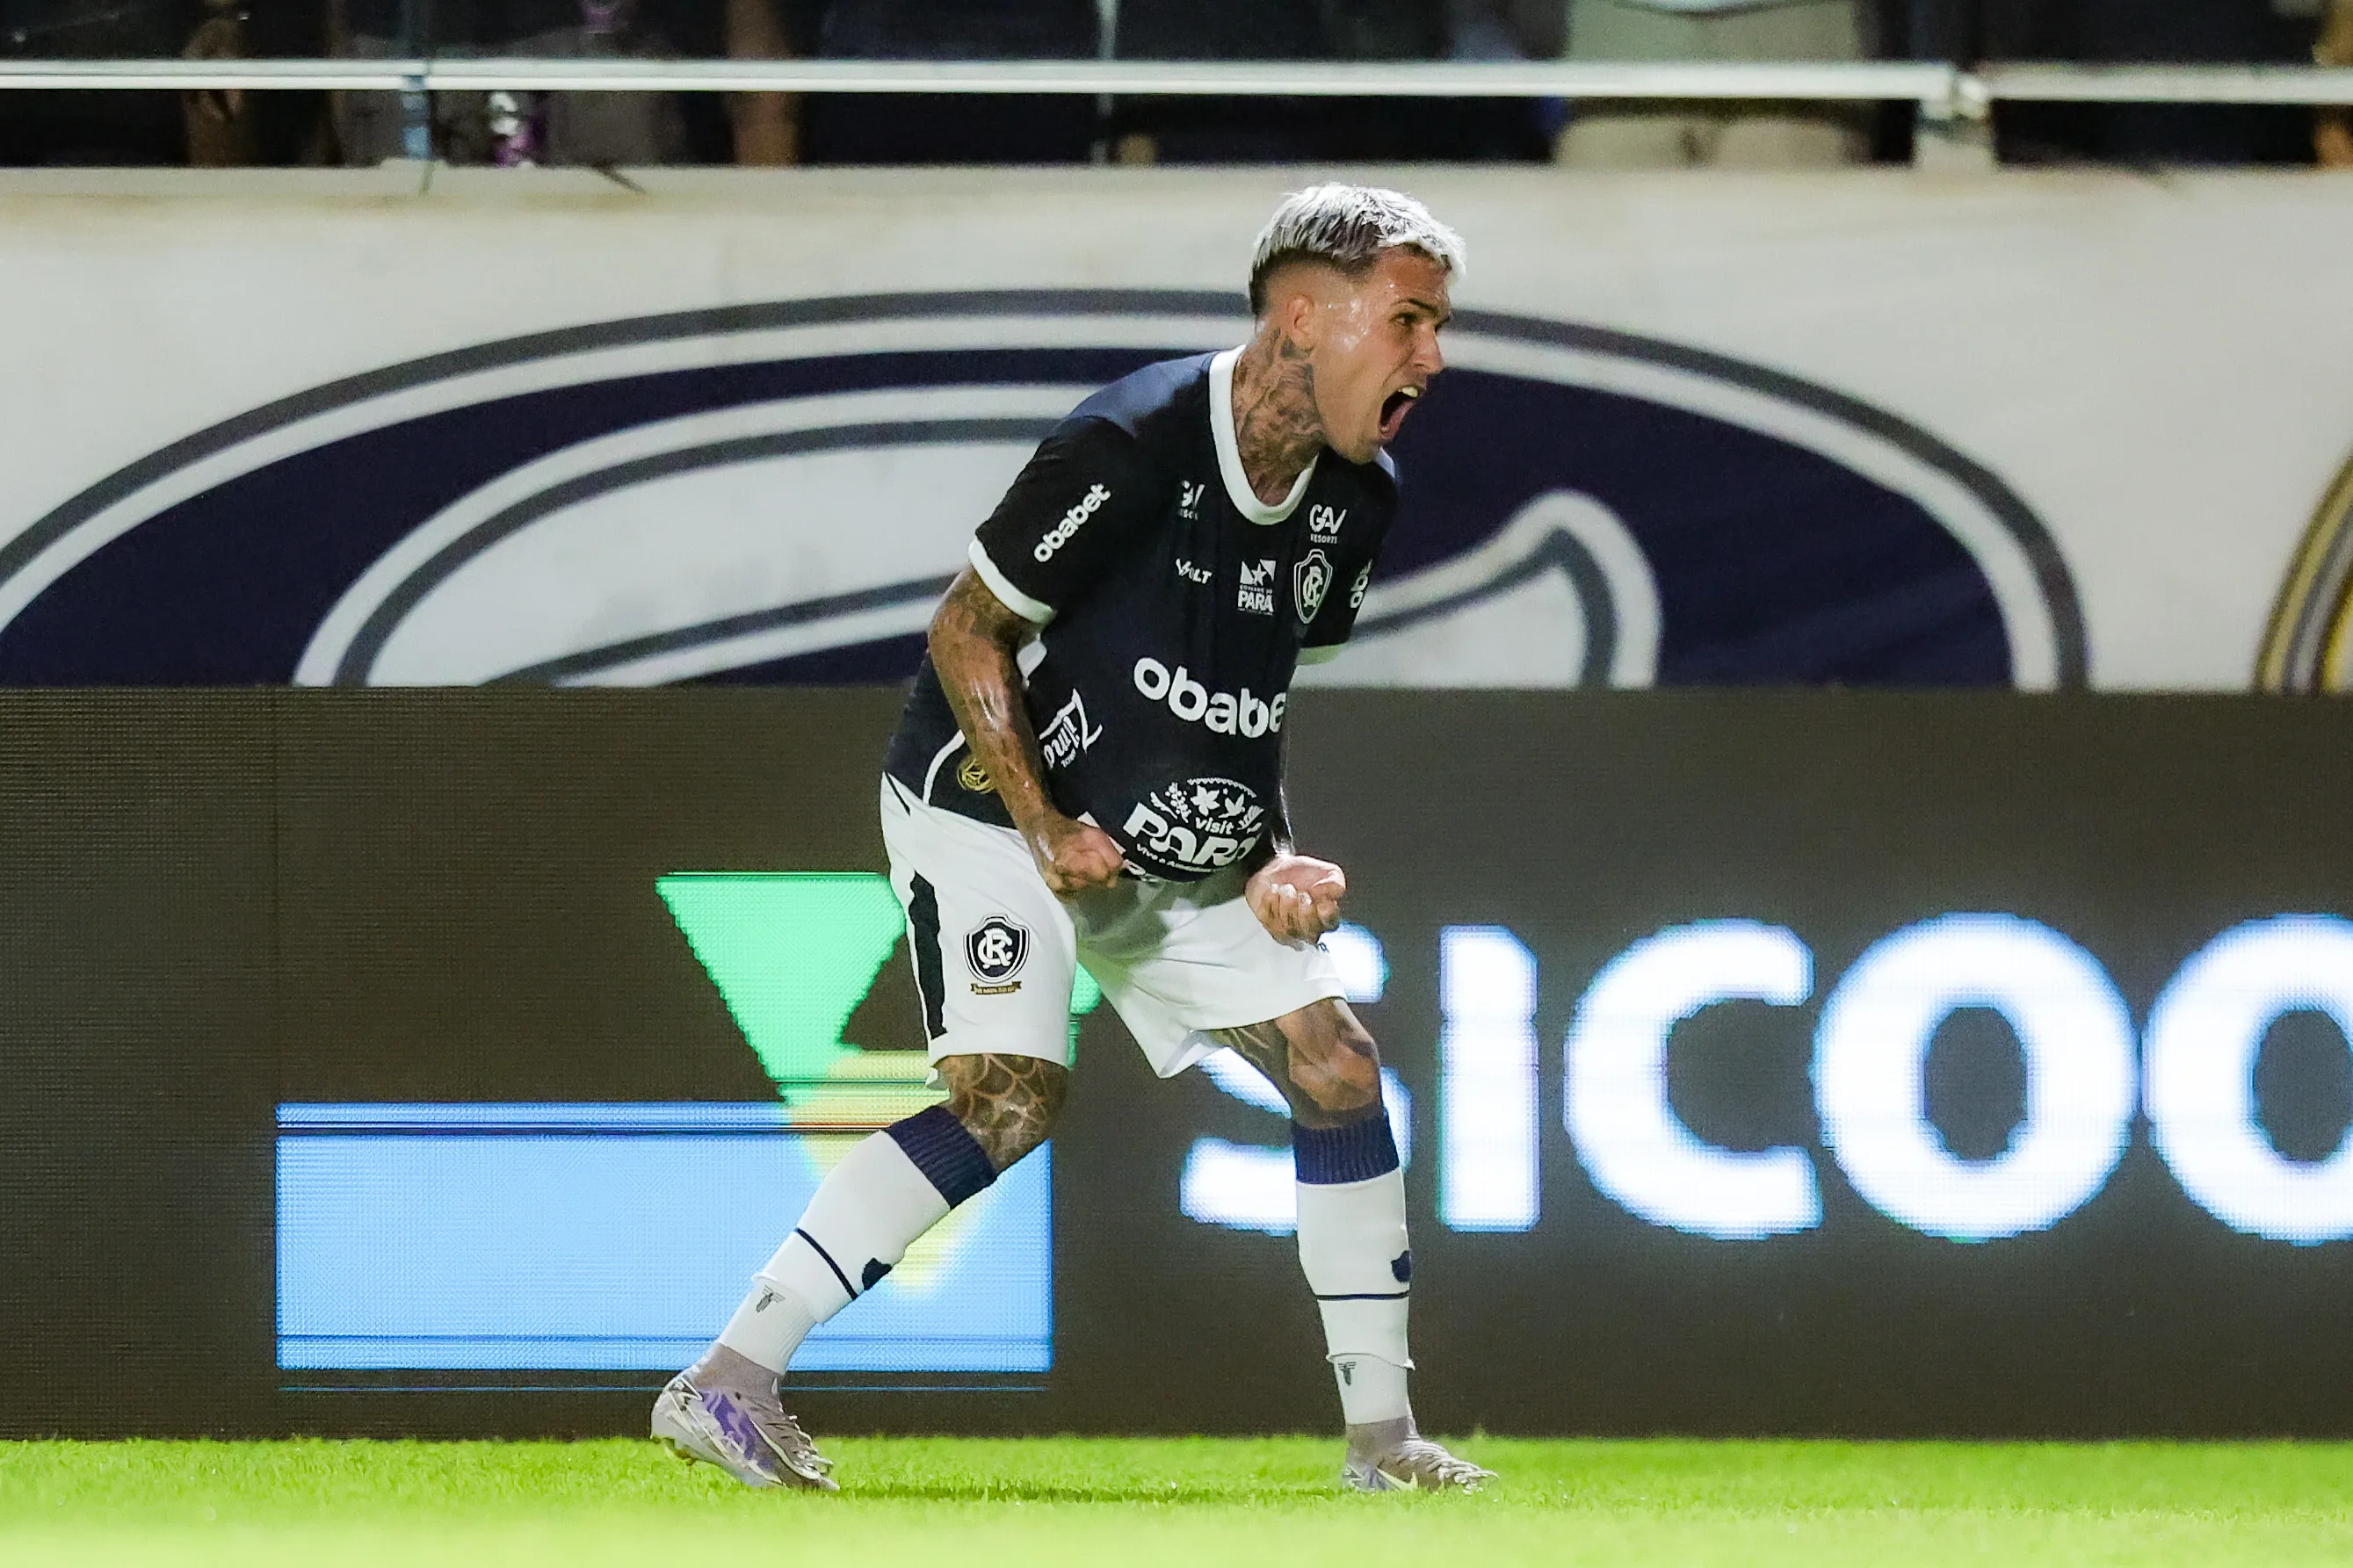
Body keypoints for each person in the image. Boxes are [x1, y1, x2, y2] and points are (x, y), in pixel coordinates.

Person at [651, 184, 1495, 1496]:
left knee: (1335, 1065)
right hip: (986, 802)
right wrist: (1044, 825)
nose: (1430, 359)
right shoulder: (1134, 439)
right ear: (1302, 316)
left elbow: (1240, 698)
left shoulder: (1355, 502)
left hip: (1159, 831)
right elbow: (964, 630)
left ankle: (1384, 1449)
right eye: (1407, 322)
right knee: (1008, 1102)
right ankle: (726, 1382)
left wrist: (1269, 851)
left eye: (1436, 327)